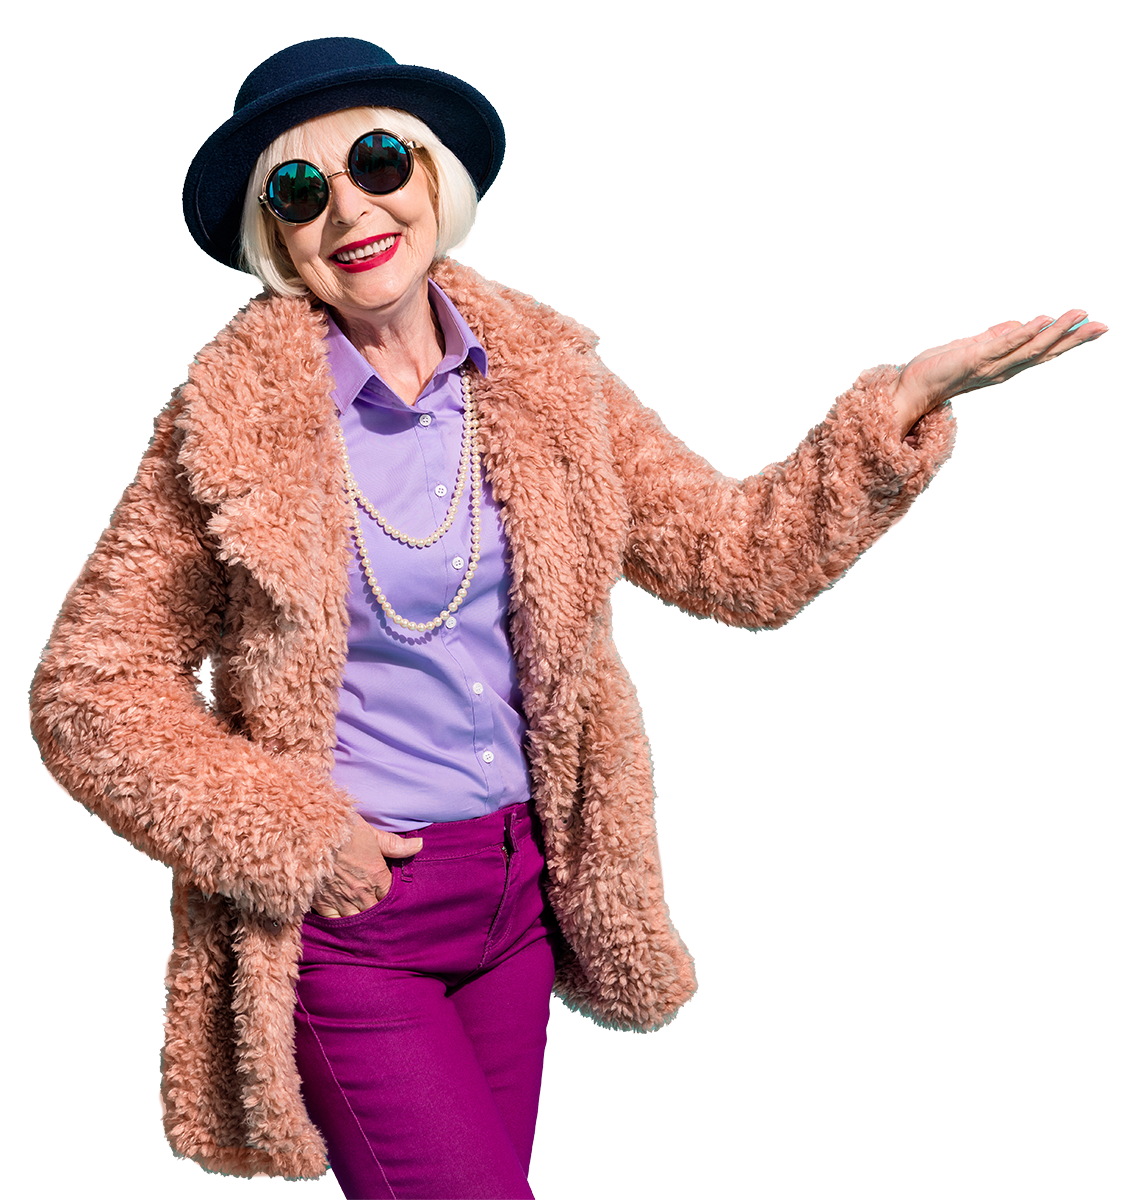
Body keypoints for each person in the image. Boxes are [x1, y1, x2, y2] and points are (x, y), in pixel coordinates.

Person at [29, 36, 1108, 1200]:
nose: (350, 210)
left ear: (431, 177)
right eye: (300, 190)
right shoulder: (230, 421)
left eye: (378, 162)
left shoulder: (546, 378)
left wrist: (887, 414)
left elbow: (732, 556)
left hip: (516, 896)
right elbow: (90, 686)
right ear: (274, 234)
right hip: (354, 917)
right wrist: (293, 836)